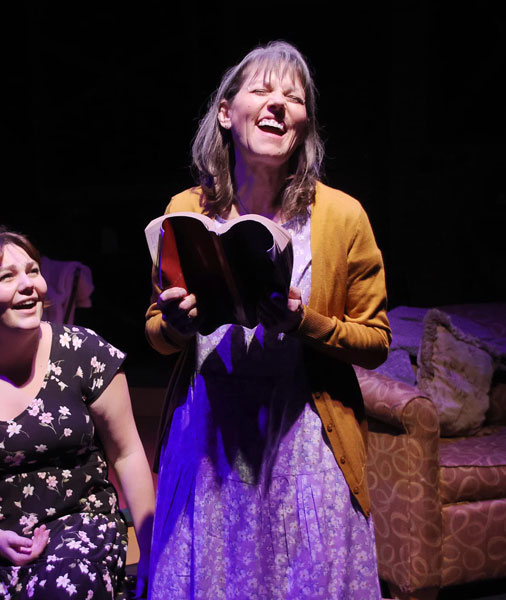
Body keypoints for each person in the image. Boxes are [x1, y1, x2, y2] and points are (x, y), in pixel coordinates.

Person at [145, 41, 391, 599]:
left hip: (303, 433)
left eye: (293, 97)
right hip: (210, 433)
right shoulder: (186, 209)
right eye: (262, 90)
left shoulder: (342, 215)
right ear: (227, 114)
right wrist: (178, 325)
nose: (278, 104)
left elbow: (375, 341)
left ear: (303, 126)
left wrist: (308, 324)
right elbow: (156, 334)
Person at [0, 227, 154, 599]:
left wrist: (149, 552)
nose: (29, 285)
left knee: (68, 589)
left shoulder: (84, 353)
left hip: (74, 522)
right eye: (7, 277)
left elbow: (127, 453)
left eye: (32, 271)